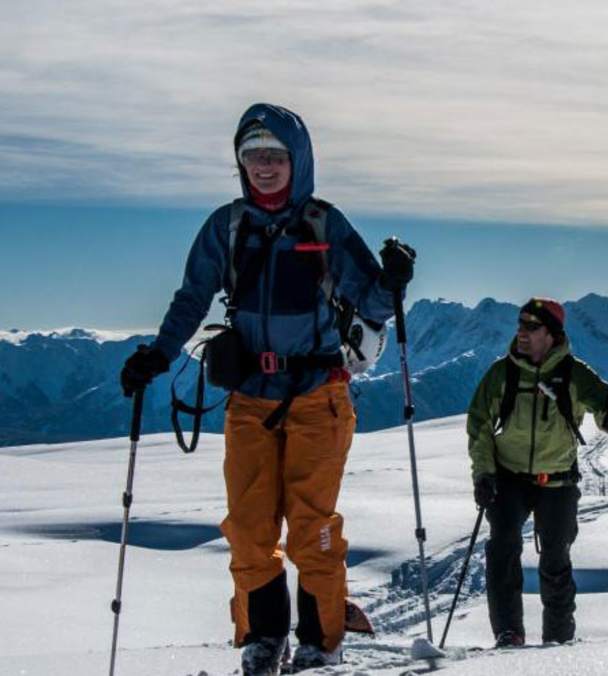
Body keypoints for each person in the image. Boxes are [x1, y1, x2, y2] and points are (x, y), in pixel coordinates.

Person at [118, 103, 416, 674]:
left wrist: (392, 279)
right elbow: (192, 297)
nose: (263, 167)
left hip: (318, 393)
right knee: (250, 528)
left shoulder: (325, 224)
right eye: (252, 156)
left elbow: (373, 303)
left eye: (275, 156)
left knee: (312, 526)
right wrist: (158, 352)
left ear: (297, 160)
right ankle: (263, 636)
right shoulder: (227, 227)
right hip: (250, 394)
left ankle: (320, 640)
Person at [465, 298, 608, 647]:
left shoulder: (574, 374)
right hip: (508, 477)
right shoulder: (503, 373)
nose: (522, 332)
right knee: (502, 549)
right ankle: (509, 634)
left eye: (531, 326)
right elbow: (479, 425)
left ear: (551, 334)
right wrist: (484, 473)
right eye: (520, 325)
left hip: (558, 480)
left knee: (556, 560)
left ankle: (557, 644)